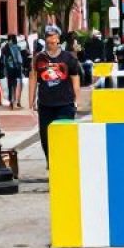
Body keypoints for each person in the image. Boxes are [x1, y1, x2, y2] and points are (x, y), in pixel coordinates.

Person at [29, 24, 81, 163]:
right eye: (48, 36)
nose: (51, 40)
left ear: (58, 39)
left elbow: (75, 79)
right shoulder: (38, 58)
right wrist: (31, 102)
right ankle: (51, 161)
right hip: (45, 104)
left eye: (54, 37)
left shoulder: (68, 58)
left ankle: (64, 161)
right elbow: (33, 78)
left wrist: (77, 101)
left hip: (65, 103)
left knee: (64, 134)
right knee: (45, 137)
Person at [0, 36, 24, 108]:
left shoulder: (4, 48)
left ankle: (11, 101)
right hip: (16, 68)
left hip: (8, 69)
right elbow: (20, 59)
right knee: (15, 84)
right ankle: (15, 100)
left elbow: (3, 60)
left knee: (9, 85)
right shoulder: (17, 47)